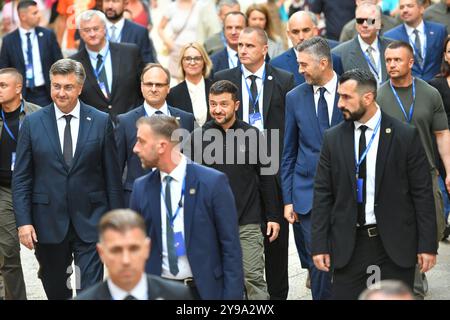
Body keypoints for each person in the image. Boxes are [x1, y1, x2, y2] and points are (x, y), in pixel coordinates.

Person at [312, 69, 437, 300]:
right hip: (349, 244)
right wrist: (319, 244)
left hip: (393, 244)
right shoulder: (333, 138)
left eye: (346, 97)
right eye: (339, 96)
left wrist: (427, 244)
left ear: (368, 98)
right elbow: (322, 194)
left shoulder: (404, 136)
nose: (340, 104)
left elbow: (422, 193)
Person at [12, 59, 124, 300]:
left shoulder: (101, 121)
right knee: (57, 290)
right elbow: (22, 177)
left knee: (89, 291)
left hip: (92, 222)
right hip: (47, 223)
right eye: (56, 86)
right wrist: (23, 222)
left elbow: (112, 177)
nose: (61, 93)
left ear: (80, 88)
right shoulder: (32, 123)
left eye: (68, 87)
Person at [214, 27, 295, 300]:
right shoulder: (224, 78)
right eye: (240, 45)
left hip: (273, 164)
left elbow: (290, 126)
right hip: (239, 163)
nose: (243, 50)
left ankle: (277, 295)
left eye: (250, 45)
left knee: (276, 239)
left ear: (264, 49)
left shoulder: (284, 80)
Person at [130, 115, 244, 299]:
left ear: (162, 146)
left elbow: (231, 248)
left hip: (205, 291)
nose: (135, 148)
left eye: (141, 141)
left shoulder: (212, 183)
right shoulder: (140, 188)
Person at [185, 80, 279, 299]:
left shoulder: (253, 134)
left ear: (236, 105)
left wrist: (273, 216)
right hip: (210, 225)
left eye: (223, 104)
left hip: (247, 222)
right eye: (213, 104)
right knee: (215, 282)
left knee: (253, 279)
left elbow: (267, 178)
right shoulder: (197, 138)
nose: (217, 110)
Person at [377, 40, 450, 297]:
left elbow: (441, 134)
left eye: (397, 60)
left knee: (433, 226)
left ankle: (417, 272)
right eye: (388, 60)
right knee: (400, 231)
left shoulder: (430, 93)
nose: (392, 65)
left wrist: (449, 171)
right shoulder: (378, 95)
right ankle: (412, 285)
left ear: (411, 63)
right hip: (390, 177)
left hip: (425, 172)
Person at [282, 37, 343, 300]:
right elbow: (289, 152)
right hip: (308, 197)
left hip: (348, 194)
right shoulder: (294, 98)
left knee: (347, 261)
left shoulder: (350, 89)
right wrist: (288, 199)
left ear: (324, 62)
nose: (300, 70)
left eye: (304, 64)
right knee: (318, 263)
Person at [115, 63, 195, 206]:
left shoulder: (186, 119)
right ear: (141, 87)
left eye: (159, 85)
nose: (153, 89)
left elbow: (191, 163)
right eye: (149, 84)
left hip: (178, 198)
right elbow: (116, 168)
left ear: (168, 88)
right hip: (138, 199)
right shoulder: (125, 121)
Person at [75, 209, 194, 300]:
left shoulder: (177, 295)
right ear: (101, 253)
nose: (126, 260)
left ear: (147, 248)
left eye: (134, 249)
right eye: (116, 250)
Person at [0, 68, 40, 300]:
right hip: (4, 188)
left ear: (18, 88)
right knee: (7, 253)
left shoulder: (38, 115)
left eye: (3, 85)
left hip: (34, 188)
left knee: (47, 253)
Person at [71, 10, 144, 123]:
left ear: (105, 28)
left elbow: (143, 88)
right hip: (95, 128)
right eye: (86, 30)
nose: (92, 34)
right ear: (80, 33)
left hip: (132, 125)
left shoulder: (130, 53)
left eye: (96, 28)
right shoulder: (73, 63)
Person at [0, 0, 63, 107]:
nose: (39, 15)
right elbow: (4, 69)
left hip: (46, 93)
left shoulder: (48, 35)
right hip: (20, 96)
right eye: (34, 13)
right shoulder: (9, 40)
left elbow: (59, 63)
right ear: (23, 16)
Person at [270, 11, 343, 86]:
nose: (301, 37)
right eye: (295, 32)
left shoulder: (333, 59)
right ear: (288, 34)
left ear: (315, 31)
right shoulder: (277, 65)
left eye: (306, 30)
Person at [384, 0, 448, 81]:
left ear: (421, 9)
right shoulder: (390, 36)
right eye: (401, 7)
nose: (405, 10)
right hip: (408, 88)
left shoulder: (439, 31)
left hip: (437, 87)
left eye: (409, 6)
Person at [332, 2, 392, 86]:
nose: (364, 25)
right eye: (360, 21)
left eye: (370, 21)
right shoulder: (339, 54)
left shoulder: (393, 47)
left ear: (379, 23)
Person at [428, 36, 450, 240]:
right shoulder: (436, 85)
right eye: (449, 51)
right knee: (441, 198)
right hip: (441, 151)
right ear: (445, 55)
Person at [166, 43, 213, 127]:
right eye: (188, 59)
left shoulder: (215, 88)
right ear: (182, 62)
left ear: (204, 61)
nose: (192, 62)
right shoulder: (173, 94)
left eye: (197, 58)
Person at [157, 0, 201, 83]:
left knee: (196, 81)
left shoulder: (200, 6)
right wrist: (169, 43)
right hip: (177, 50)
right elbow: (160, 28)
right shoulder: (172, 7)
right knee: (181, 82)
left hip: (196, 50)